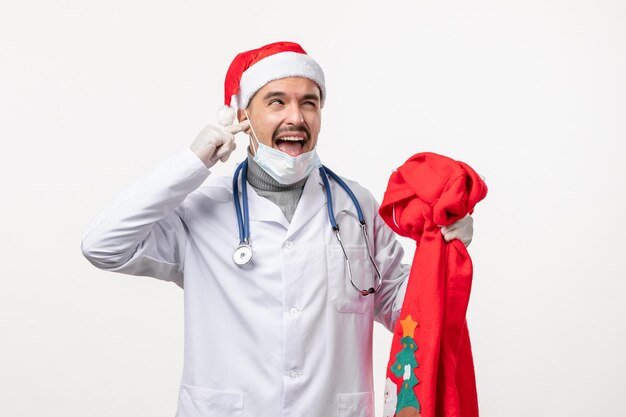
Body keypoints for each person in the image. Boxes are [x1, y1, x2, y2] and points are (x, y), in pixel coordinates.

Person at [81, 41, 474, 417]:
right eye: (277, 102)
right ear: (242, 117)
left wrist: (439, 246)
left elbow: (405, 308)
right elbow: (103, 245)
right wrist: (192, 162)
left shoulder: (357, 206)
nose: (296, 118)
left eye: (309, 103)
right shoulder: (199, 208)